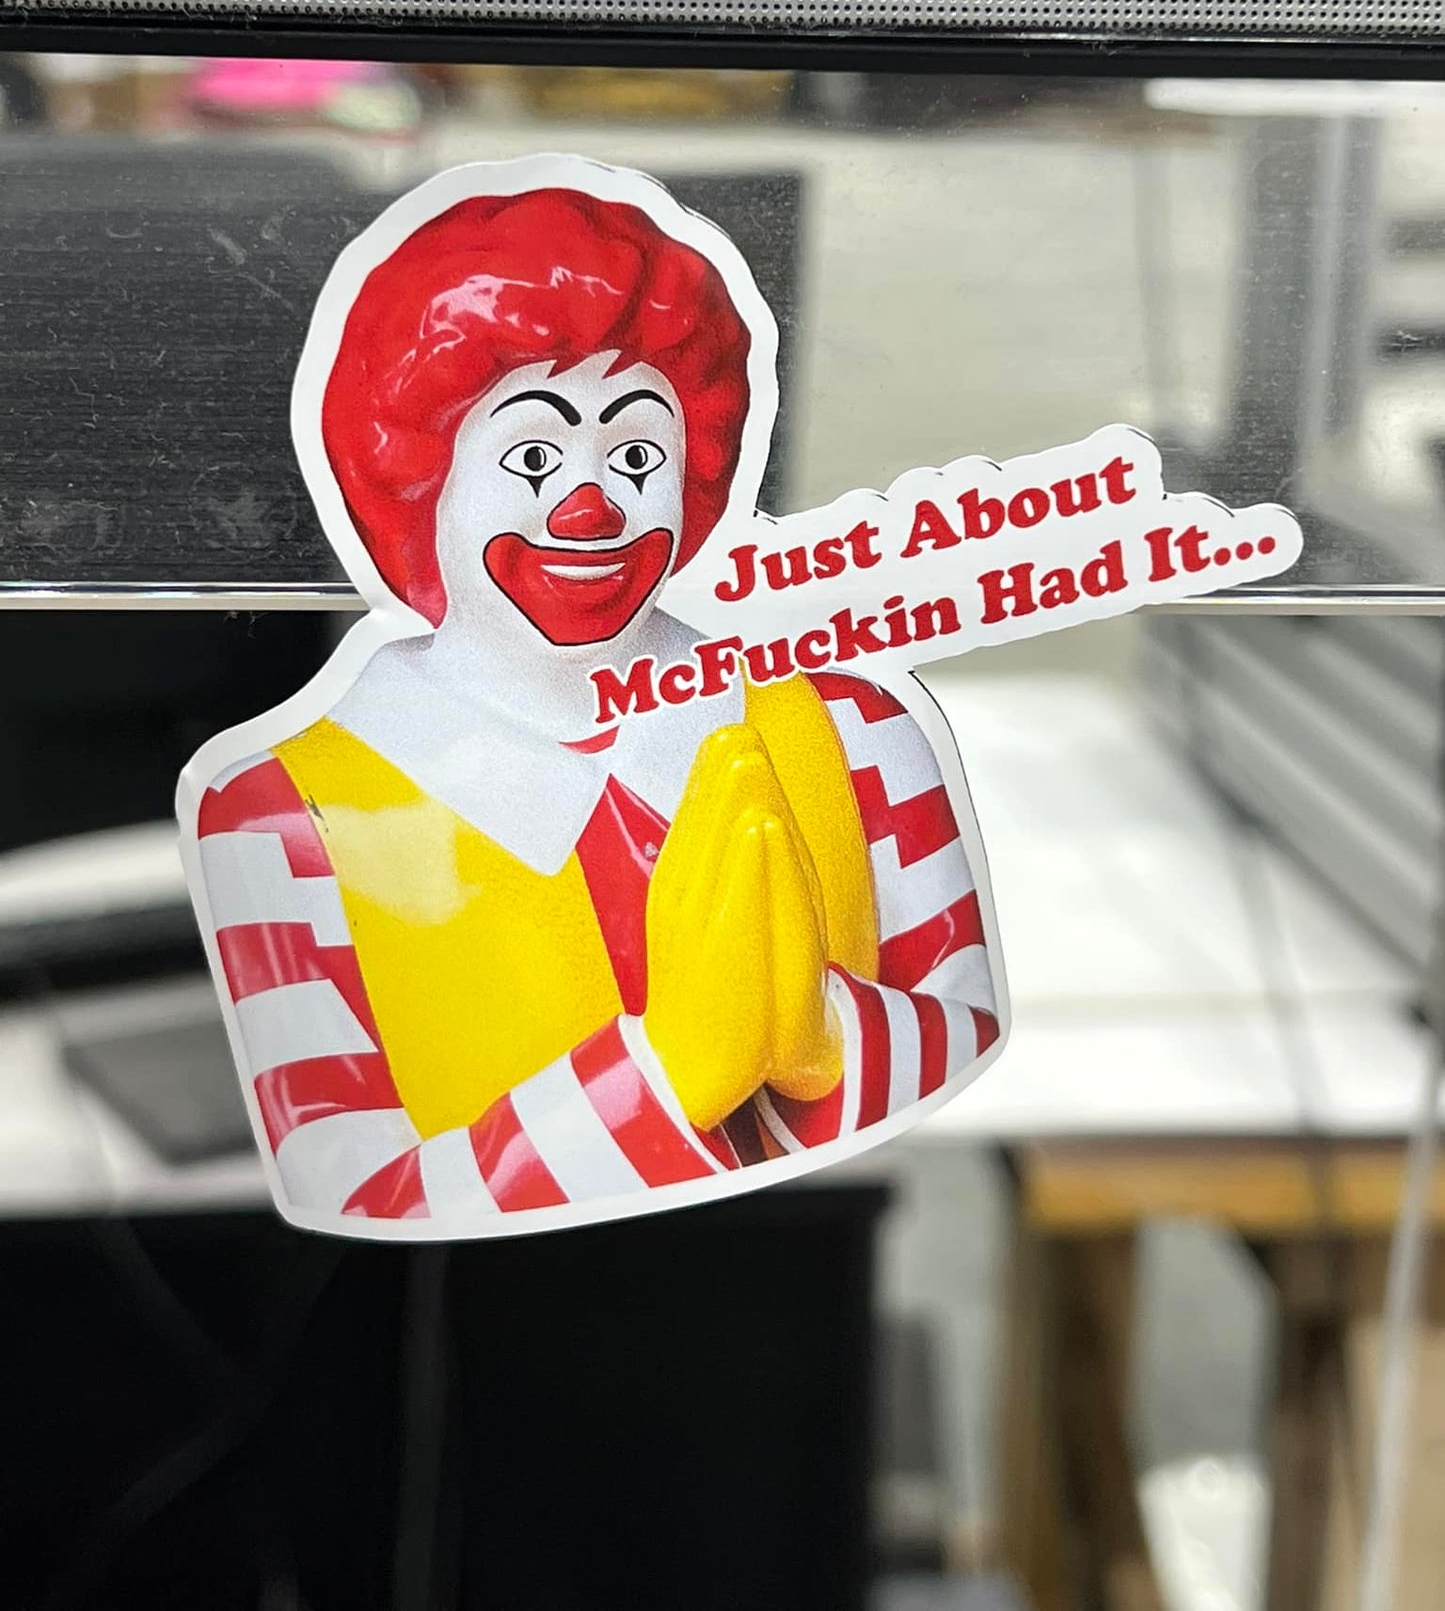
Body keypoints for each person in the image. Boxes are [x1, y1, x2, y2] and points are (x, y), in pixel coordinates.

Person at [187, 166, 998, 1235]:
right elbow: (345, 1187)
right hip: (484, 1310)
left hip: (801, 1260)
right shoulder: (276, 820)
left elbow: (972, 1037)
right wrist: (658, 1076)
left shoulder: (858, 733)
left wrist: (825, 1036)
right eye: (532, 456)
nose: (591, 508)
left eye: (635, 452)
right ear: (419, 476)